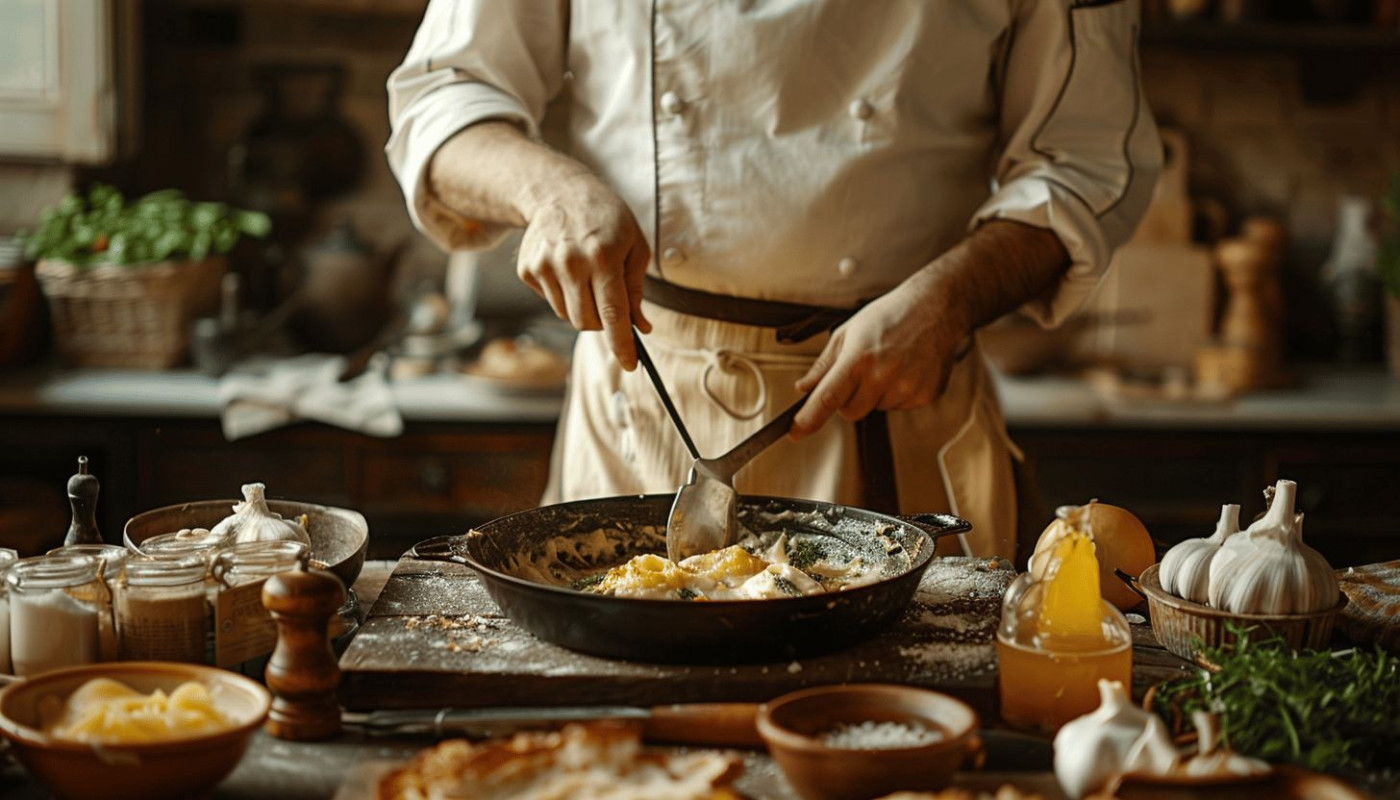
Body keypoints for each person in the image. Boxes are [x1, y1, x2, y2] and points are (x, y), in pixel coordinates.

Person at [387, 0, 1161, 558]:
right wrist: (550, 191)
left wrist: (951, 299)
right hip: (645, 404)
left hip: (893, 399)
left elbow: (1086, 162)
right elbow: (440, 97)